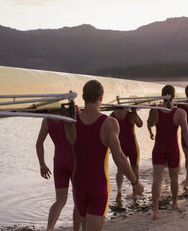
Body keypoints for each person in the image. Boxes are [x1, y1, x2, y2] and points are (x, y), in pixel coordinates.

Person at [64, 80, 144, 231]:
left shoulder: (72, 121)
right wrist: (135, 182)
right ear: (101, 97)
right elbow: (119, 157)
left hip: (79, 185)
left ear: (83, 96)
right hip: (98, 185)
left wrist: (70, 117)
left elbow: (70, 140)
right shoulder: (109, 123)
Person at [147, 85, 188, 220]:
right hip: (173, 148)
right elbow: (186, 133)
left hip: (158, 148)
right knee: (174, 178)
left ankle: (155, 211)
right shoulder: (180, 113)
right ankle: (174, 203)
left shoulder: (156, 110)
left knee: (157, 179)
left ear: (162, 95)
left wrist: (152, 111)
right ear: (174, 96)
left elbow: (149, 124)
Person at [36, 118, 81, 231]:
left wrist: (42, 164)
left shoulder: (47, 120)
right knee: (78, 200)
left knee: (60, 200)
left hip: (59, 161)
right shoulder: (73, 116)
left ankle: (49, 229)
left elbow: (39, 143)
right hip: (75, 160)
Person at [110, 108, 143, 206]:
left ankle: (133, 192)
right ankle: (120, 192)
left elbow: (140, 124)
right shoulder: (112, 115)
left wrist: (135, 113)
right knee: (123, 169)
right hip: (124, 145)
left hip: (128, 145)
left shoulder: (129, 114)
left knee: (133, 167)